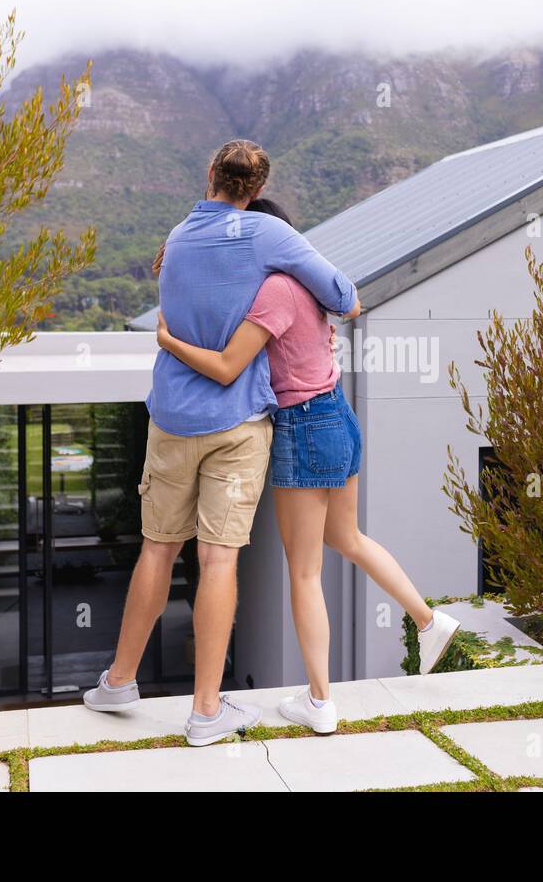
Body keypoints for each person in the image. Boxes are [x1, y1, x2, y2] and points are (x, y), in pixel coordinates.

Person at [82, 140, 359, 747]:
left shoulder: (177, 237)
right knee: (218, 559)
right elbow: (344, 295)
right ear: (256, 192)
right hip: (236, 427)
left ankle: (120, 681)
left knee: (157, 547)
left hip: (172, 419)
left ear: (208, 174)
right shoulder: (266, 235)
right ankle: (206, 711)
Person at [154, 196, 460, 735]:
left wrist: (169, 341)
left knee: (304, 571)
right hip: (338, 415)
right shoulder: (310, 285)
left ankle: (320, 701)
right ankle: (429, 620)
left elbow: (228, 366)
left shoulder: (274, 290)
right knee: (350, 539)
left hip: (303, 425)